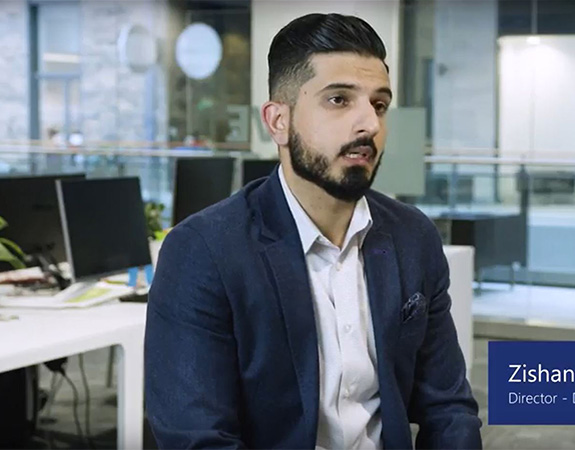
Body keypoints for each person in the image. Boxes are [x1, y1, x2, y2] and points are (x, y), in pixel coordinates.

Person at [144, 13, 482, 449]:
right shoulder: (203, 251)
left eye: (379, 104)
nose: (370, 124)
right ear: (277, 121)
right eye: (339, 100)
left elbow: (448, 408)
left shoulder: (411, 236)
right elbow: (198, 439)